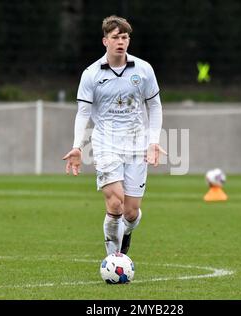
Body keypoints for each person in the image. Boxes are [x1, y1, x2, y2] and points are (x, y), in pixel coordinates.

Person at [62, 15, 165, 256]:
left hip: (137, 144)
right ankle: (113, 259)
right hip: (106, 143)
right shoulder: (91, 74)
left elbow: (155, 106)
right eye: (115, 37)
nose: (121, 42)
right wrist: (77, 146)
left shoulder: (144, 69)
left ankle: (126, 232)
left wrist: (154, 142)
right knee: (115, 202)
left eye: (125, 37)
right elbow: (83, 113)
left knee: (130, 212)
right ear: (105, 41)